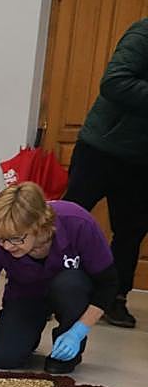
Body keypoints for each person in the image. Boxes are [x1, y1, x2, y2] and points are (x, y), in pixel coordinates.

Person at [0, 182, 118, 379]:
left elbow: (108, 284)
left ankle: (67, 349)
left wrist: (78, 331)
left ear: (38, 225)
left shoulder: (77, 222)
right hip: (27, 294)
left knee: (69, 284)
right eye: (2, 239)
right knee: (4, 358)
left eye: (15, 239)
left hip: (71, 291)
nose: (7, 246)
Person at [62, 17, 148, 329]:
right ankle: (44, 286)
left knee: (131, 231)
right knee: (68, 218)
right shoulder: (143, 32)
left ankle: (115, 298)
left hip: (141, 160)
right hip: (101, 148)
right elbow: (115, 82)